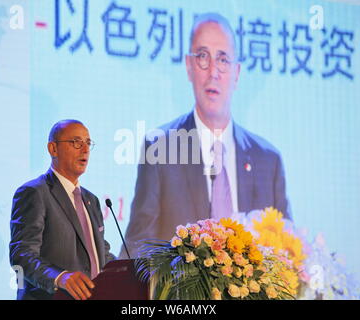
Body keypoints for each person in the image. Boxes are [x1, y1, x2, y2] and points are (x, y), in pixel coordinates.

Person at [120, 13, 291, 259]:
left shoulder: (268, 161)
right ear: (188, 67)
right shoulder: (161, 148)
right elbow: (138, 248)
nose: (213, 72)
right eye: (202, 57)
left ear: (237, 72)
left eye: (223, 59)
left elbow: (287, 250)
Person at [10, 120, 114, 300]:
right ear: (53, 149)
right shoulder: (34, 193)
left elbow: (99, 255)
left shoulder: (91, 200)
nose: (85, 149)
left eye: (88, 143)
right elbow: (22, 254)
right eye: (76, 142)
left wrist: (137, 268)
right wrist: (60, 277)